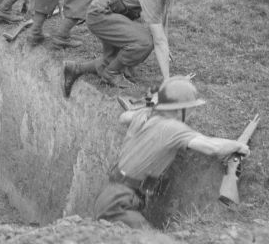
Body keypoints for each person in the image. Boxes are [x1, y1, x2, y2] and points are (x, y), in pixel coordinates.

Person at [93, 76, 251, 229]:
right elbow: (213, 148)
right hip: (119, 203)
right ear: (179, 110)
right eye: (190, 109)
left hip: (111, 196)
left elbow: (124, 117)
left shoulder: (145, 115)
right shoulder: (173, 128)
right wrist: (237, 146)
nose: (192, 113)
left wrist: (148, 108)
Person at [61, 0, 208, 98]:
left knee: (113, 60)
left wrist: (166, 47)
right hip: (101, 14)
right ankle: (111, 74)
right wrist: (168, 80)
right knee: (144, 42)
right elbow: (158, 39)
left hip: (115, 13)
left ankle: (75, 69)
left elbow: (162, 20)